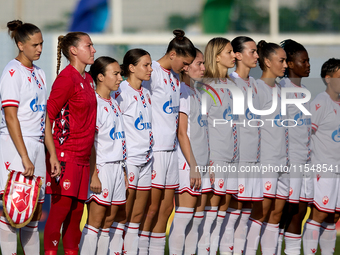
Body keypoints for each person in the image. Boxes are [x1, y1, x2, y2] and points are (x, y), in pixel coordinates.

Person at [0, 20, 60, 255]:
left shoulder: (40, 73)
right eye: (34, 44)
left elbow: (43, 117)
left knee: (33, 213)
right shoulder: (11, 73)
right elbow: (11, 117)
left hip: (36, 147)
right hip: (15, 149)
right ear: (20, 44)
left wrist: (51, 153)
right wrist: (24, 157)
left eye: (42, 43)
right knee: (12, 211)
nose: (40, 49)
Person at [139, 29, 196, 255]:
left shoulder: (174, 77)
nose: (186, 68)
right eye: (185, 62)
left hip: (171, 151)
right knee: (150, 209)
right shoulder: (150, 71)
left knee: (165, 209)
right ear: (173, 54)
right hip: (153, 152)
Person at [44, 32, 97, 255]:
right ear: (73, 50)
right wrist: (53, 156)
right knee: (59, 214)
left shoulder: (89, 79)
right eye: (89, 45)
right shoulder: (66, 78)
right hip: (66, 158)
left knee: (76, 218)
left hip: (83, 160)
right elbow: (47, 117)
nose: (94, 50)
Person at [243, 40, 288, 255]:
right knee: (261, 213)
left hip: (283, 161)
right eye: (282, 60)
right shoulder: (256, 88)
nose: (286, 65)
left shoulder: (281, 89)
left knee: (277, 215)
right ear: (268, 62)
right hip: (265, 162)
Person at [78, 56, 127, 255]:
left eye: (120, 74)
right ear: (100, 77)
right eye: (115, 74)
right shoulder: (94, 103)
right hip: (102, 168)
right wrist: (94, 174)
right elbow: (89, 142)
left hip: (117, 167)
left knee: (109, 222)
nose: (120, 78)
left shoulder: (114, 102)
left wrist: (123, 169)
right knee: (95, 221)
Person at [197, 37, 238, 255]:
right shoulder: (206, 86)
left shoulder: (233, 84)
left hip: (233, 156)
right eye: (229, 52)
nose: (234, 56)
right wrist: (209, 160)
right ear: (217, 56)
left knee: (223, 210)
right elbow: (201, 126)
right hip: (216, 157)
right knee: (210, 210)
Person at [111, 48, 153, 255]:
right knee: (124, 214)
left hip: (148, 159)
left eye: (150, 65)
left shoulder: (146, 92)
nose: (150, 69)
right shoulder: (121, 93)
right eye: (146, 65)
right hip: (130, 161)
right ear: (131, 68)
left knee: (138, 215)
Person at [168, 48, 209, 255]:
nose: (203, 67)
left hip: (199, 161)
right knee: (184, 216)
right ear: (186, 66)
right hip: (186, 161)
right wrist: (193, 165)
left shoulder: (196, 92)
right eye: (198, 63)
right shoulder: (181, 91)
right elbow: (182, 132)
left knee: (198, 217)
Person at [222, 36, 260, 255]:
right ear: (237, 55)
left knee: (246, 214)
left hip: (254, 159)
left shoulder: (255, 84)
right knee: (231, 213)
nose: (256, 56)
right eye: (252, 51)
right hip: (236, 159)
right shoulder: (229, 83)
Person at [302, 58, 340, 255]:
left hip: (338, 169)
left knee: (333, 216)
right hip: (323, 168)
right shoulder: (320, 102)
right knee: (320, 213)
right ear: (328, 79)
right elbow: (306, 134)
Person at [278, 39, 312, 255]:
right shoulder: (281, 88)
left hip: (305, 160)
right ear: (290, 64)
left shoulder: (305, 90)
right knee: (285, 211)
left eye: (308, 60)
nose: (308, 65)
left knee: (300, 209)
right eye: (304, 61)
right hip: (289, 161)